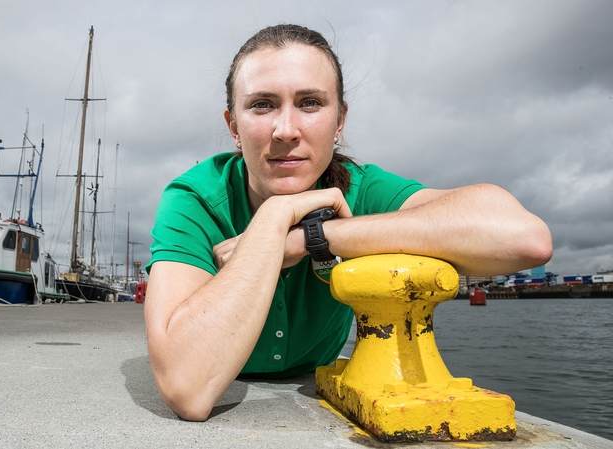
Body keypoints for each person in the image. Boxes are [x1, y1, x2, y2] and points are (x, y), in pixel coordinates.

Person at [144, 24, 552, 421]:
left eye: (310, 103)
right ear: (234, 126)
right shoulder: (194, 200)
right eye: (262, 105)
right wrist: (272, 220)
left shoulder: (361, 189)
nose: (285, 130)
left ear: (339, 121)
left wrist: (316, 236)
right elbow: (188, 388)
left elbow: (524, 238)